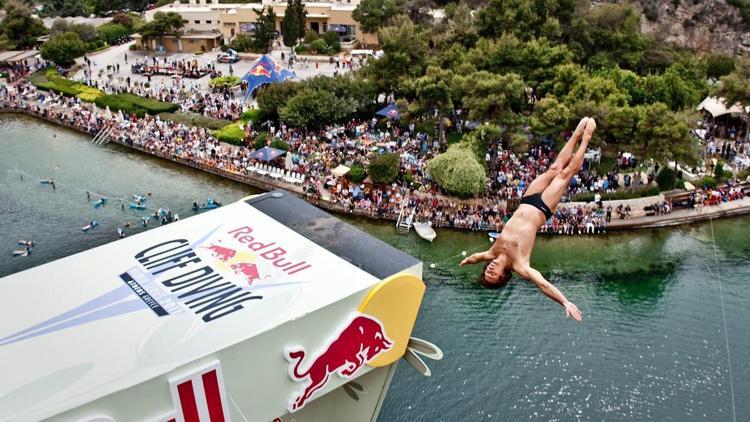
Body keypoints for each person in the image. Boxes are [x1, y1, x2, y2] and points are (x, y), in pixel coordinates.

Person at [459, 117, 597, 322]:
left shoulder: (491, 253)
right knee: (565, 174)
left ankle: (575, 134)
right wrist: (564, 301)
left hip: (527, 200)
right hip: (542, 208)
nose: (490, 269)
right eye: (493, 274)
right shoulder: (520, 265)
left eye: (487, 272)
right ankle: (586, 138)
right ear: (503, 276)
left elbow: (476, 258)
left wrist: (466, 262)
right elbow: (543, 284)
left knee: (554, 168)